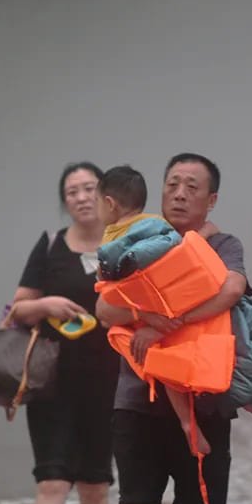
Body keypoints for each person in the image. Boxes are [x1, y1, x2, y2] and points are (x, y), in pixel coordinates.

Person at [96, 153, 250, 504]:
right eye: (173, 184)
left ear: (211, 199)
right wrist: (147, 316)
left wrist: (175, 319)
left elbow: (231, 290)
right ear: (161, 192)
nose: (180, 193)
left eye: (192, 187)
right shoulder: (140, 239)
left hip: (206, 400)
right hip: (138, 398)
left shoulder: (224, 245)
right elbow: (105, 310)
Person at [8, 162, 120, 504]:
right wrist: (45, 305)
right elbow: (17, 308)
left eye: (89, 188)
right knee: (52, 480)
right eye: (72, 191)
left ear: (106, 195)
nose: (82, 197)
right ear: (65, 201)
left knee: (95, 485)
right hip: (51, 380)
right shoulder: (51, 245)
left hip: (108, 381)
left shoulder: (123, 245)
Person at [95, 165, 217, 456]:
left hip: (155, 306)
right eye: (173, 184)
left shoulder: (117, 235)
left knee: (163, 367)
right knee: (170, 367)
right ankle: (191, 421)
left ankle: (188, 424)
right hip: (161, 306)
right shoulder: (151, 223)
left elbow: (109, 279)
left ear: (109, 204)